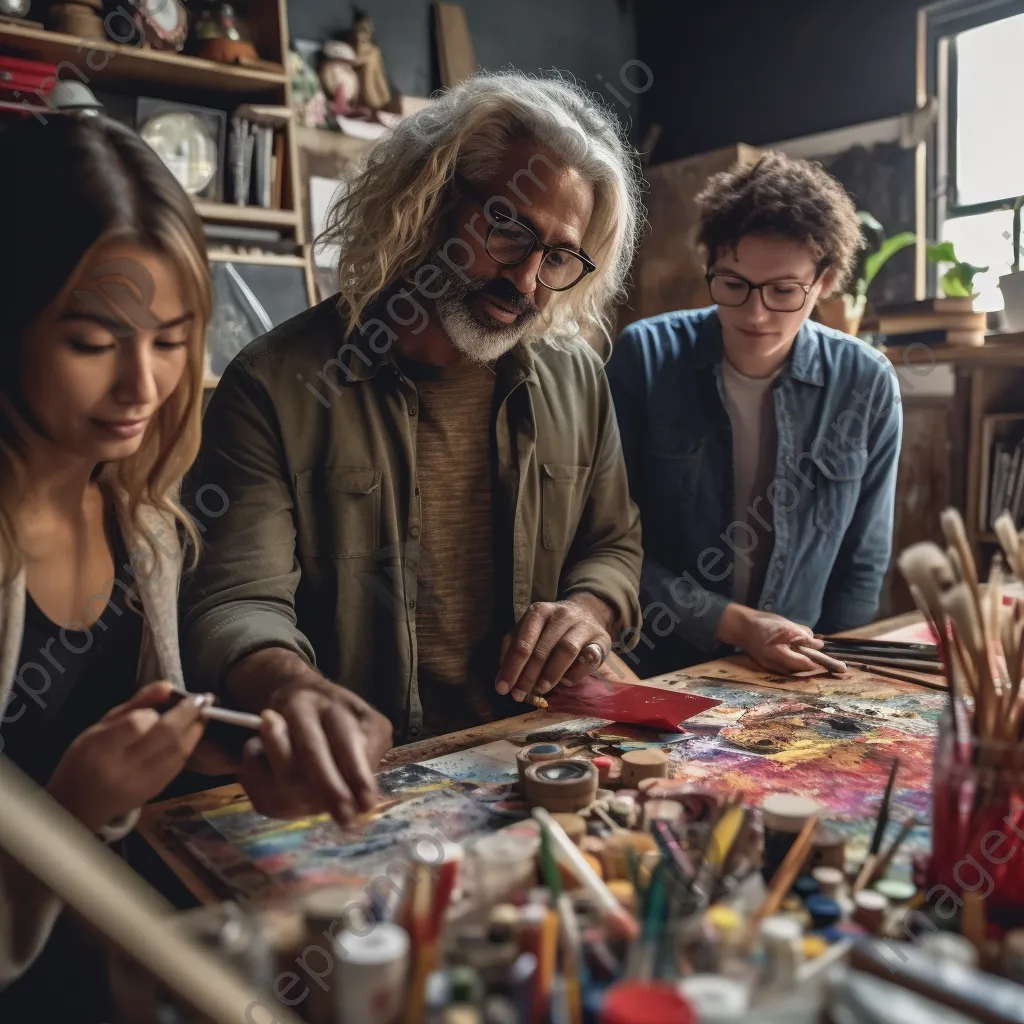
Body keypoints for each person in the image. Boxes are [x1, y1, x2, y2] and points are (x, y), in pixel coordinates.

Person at [181, 73, 644, 824]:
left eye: (559, 256)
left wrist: (587, 611)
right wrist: (294, 691)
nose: (526, 279)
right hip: (357, 790)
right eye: (507, 227)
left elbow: (614, 545)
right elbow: (233, 602)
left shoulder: (577, 378)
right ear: (430, 199)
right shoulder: (276, 385)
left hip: (534, 762)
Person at [0, 114, 216, 1019]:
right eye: (94, 342)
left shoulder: (143, 522)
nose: (142, 385)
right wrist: (68, 812)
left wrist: (235, 761)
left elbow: (130, 749)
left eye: (169, 340)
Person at [607, 153, 902, 678]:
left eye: (784, 291)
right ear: (711, 267)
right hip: (656, 662)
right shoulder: (646, 359)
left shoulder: (866, 382)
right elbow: (613, 547)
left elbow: (861, 565)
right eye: (734, 284)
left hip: (797, 669)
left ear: (826, 281)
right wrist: (739, 626)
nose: (755, 314)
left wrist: (833, 669)